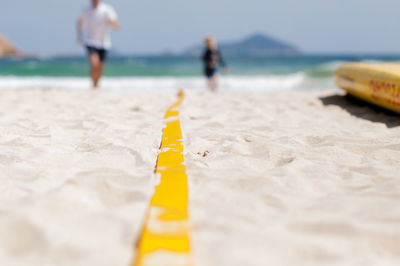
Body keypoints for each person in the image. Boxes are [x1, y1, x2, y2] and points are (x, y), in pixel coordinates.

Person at [77, 0, 120, 89]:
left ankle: (96, 85)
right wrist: (79, 35)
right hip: (90, 41)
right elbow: (79, 22)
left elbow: (117, 26)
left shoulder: (107, 10)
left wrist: (110, 22)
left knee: (100, 67)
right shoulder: (85, 10)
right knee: (94, 63)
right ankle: (93, 84)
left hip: (104, 42)